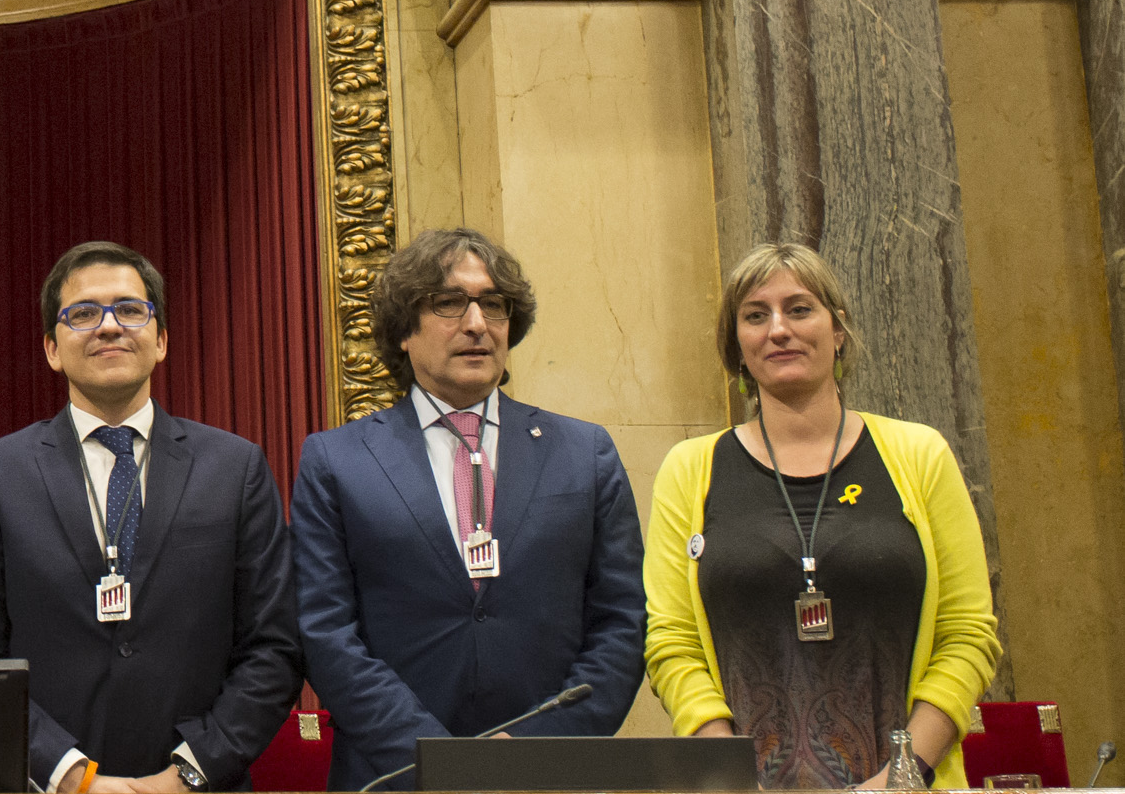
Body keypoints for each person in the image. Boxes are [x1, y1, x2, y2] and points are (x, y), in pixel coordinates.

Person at [289, 227, 644, 791]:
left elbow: (622, 622)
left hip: (553, 776)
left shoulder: (585, 451)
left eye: (494, 305)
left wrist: (533, 747)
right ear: (404, 329)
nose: (477, 323)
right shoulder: (337, 460)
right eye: (449, 303)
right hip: (397, 775)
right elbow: (325, 632)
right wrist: (439, 761)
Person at [0, 241, 301, 794]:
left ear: (160, 340)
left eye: (130, 310)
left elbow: (274, 647)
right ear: (51, 349)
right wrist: (68, 777)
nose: (109, 326)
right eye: (83, 313)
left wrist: (189, 773)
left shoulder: (236, 469)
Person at [644, 244, 998, 789]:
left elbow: (967, 635)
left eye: (800, 308)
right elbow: (673, 645)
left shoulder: (919, 455)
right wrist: (736, 779)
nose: (778, 329)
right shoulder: (690, 469)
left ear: (838, 330)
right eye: (755, 315)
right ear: (737, 345)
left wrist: (899, 780)